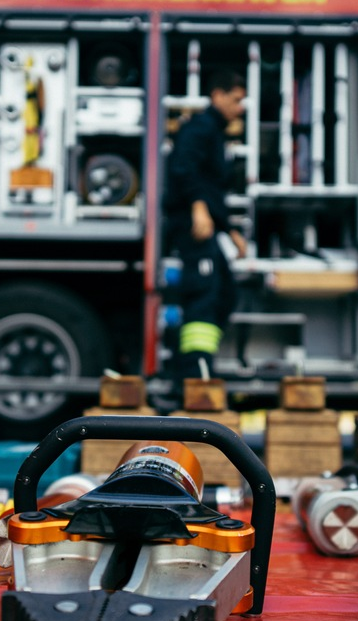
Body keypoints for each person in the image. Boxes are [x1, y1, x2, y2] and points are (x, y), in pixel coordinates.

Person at [163, 69, 248, 392]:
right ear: (217, 95)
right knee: (202, 296)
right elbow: (183, 169)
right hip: (192, 225)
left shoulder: (214, 132)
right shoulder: (199, 128)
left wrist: (231, 230)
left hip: (207, 224)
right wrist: (198, 208)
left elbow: (212, 189)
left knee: (225, 293)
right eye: (236, 100)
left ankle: (197, 367)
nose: (240, 108)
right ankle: (192, 377)